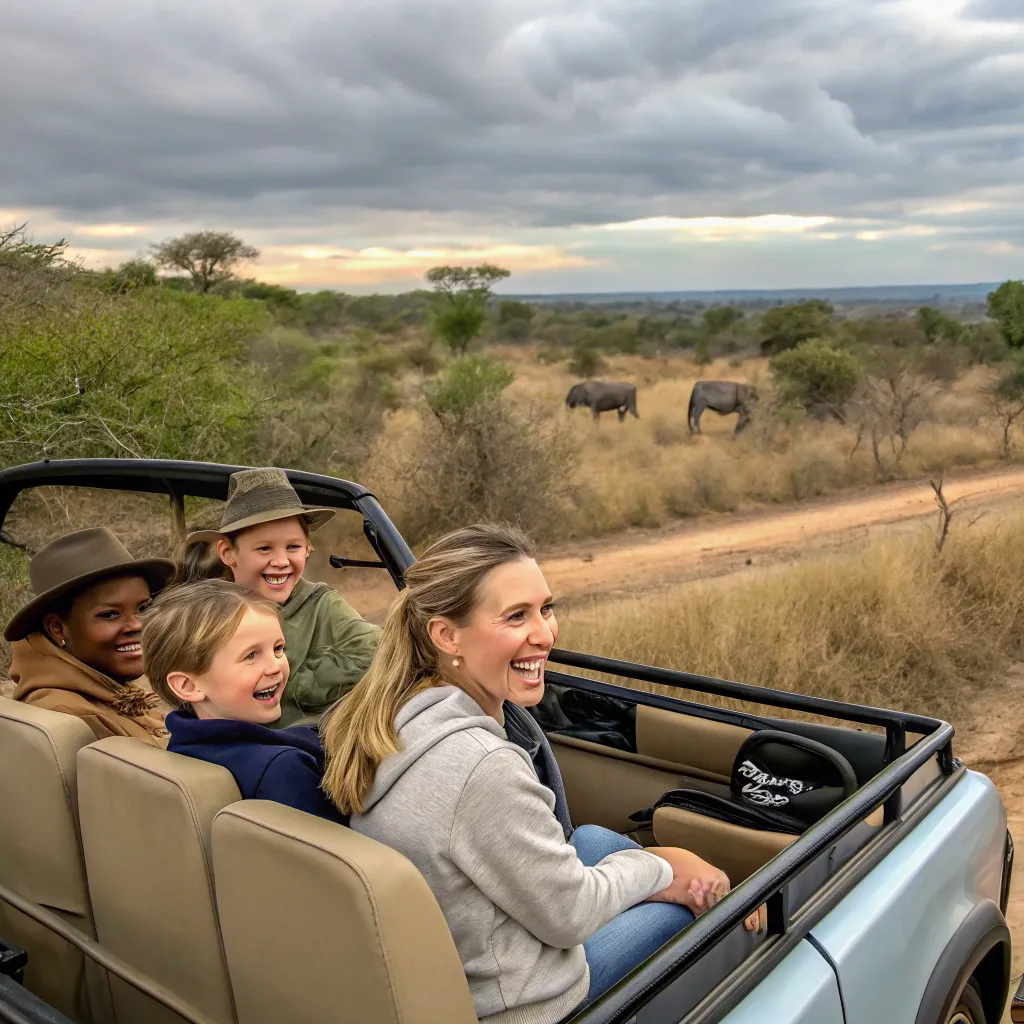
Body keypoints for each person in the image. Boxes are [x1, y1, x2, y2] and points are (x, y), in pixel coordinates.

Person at [321, 523, 760, 1024]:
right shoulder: (482, 767)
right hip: (524, 1005)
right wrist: (668, 869)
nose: (545, 634)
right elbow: (569, 916)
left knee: (592, 838)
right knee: (689, 911)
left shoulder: (392, 715)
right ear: (446, 635)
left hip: (458, 956)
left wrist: (658, 869)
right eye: (515, 616)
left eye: (545, 609)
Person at [176, 467, 380, 728]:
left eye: (293, 547)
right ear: (228, 553)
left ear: (308, 549)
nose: (281, 561)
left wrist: (290, 680)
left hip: (307, 746)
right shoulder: (206, 614)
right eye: (264, 548)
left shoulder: (322, 605)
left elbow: (375, 654)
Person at [142, 578, 345, 823]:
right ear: (188, 685)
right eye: (251, 655)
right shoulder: (282, 769)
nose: (276, 666)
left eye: (278, 648)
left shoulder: (183, 747)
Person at [4, 528, 174, 746]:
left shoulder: (109, 695)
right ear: (57, 628)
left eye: (143, 608)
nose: (137, 624)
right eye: (110, 614)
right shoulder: (77, 717)